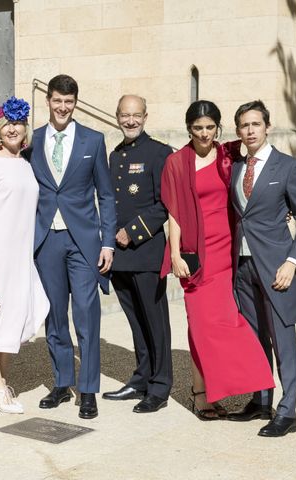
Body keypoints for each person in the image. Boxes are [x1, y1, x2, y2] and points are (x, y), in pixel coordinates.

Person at [160, 100, 275, 420]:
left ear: (218, 128)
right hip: (196, 257)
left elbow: (263, 163)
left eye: (210, 127)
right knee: (199, 325)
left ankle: (247, 385)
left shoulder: (228, 154)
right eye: (198, 128)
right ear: (189, 129)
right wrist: (175, 254)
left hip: (228, 252)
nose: (204, 134)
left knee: (228, 323)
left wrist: (282, 205)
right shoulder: (176, 162)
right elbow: (174, 213)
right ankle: (201, 394)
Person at [228, 100, 296, 437]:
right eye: (244, 126)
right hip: (244, 268)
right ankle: (260, 400)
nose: (250, 130)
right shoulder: (237, 167)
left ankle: (287, 410)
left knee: (283, 342)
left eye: (255, 124)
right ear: (238, 131)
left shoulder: (288, 167)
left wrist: (292, 263)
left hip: (277, 269)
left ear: (267, 127)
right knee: (254, 340)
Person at [30, 74, 116, 420]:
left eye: (68, 102)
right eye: (57, 101)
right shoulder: (32, 141)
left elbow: (106, 196)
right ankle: (62, 382)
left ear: (75, 103)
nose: (62, 107)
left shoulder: (93, 141)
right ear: (48, 101)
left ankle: (88, 389)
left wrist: (108, 242)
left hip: (83, 242)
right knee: (54, 317)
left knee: (86, 314)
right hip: (46, 240)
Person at [0, 97, 50, 414]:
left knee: (16, 316)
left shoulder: (25, 165)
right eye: (8, 125)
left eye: (18, 124)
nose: (13, 129)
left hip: (20, 256)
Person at [102, 95, 173, 413]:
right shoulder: (115, 156)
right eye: (124, 115)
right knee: (135, 321)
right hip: (120, 257)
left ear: (145, 116)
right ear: (117, 116)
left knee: (155, 322)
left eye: (136, 115)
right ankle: (141, 378)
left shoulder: (160, 153)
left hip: (145, 253)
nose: (130, 121)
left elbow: (165, 204)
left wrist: (133, 232)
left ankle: (160, 385)